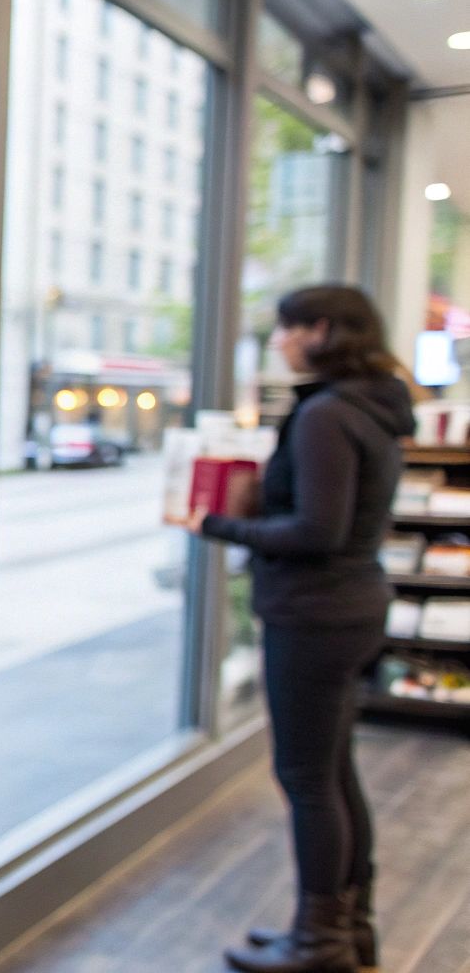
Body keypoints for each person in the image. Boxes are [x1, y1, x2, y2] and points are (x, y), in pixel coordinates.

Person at [173, 285, 414, 973]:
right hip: (352, 605)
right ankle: (348, 927)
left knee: (307, 777)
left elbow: (315, 530)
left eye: (287, 327)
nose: (278, 340)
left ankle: (318, 943)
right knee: (334, 772)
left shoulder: (326, 415)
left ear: (323, 330)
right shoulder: (375, 407)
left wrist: (214, 523)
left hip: (315, 612)